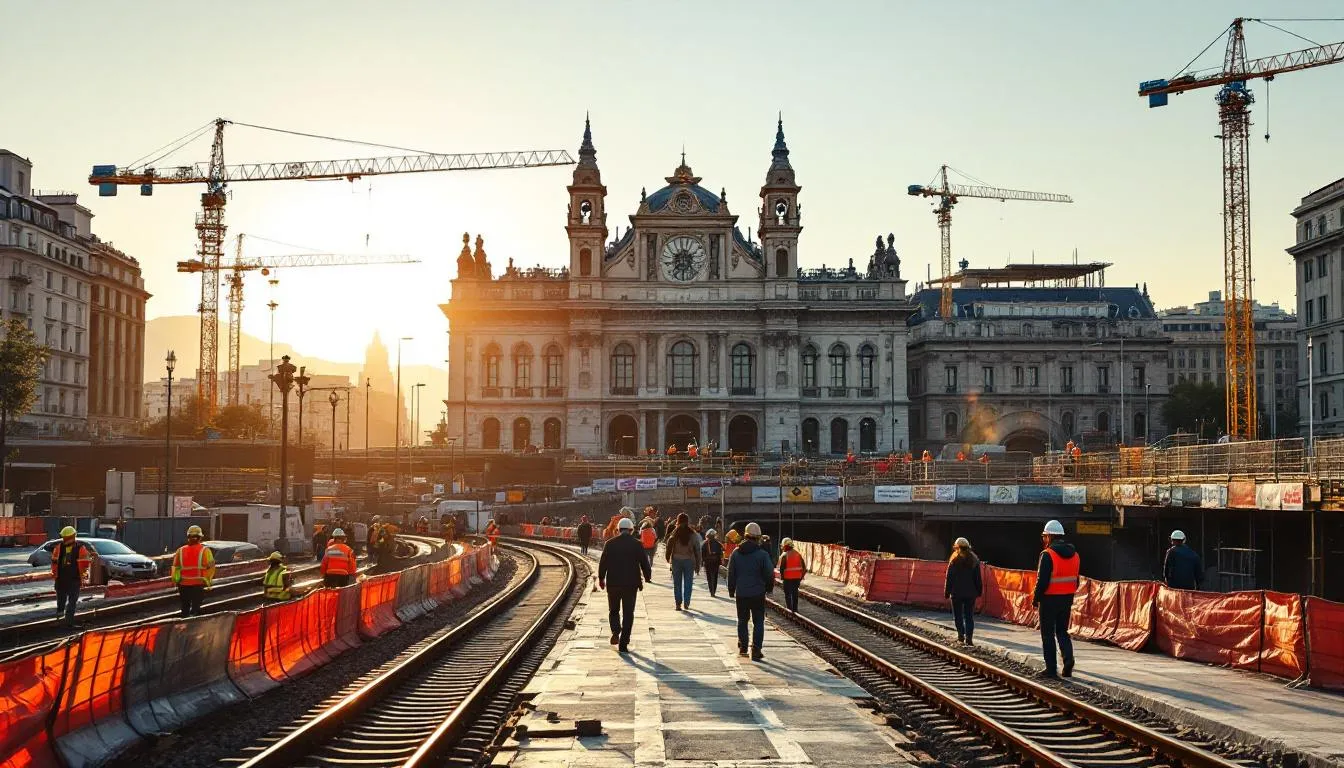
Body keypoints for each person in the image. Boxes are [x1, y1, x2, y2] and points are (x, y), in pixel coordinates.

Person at [597, 517, 651, 653]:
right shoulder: (637, 544)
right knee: (628, 613)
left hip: (613, 583)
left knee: (613, 610)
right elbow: (644, 562)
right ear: (631, 530)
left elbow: (603, 563)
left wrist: (601, 578)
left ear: (618, 530)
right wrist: (647, 576)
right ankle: (624, 642)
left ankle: (616, 631)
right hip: (630, 584)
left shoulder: (609, 544)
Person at [1033, 519, 1079, 678]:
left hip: (1049, 600)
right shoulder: (1075, 555)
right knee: (1062, 631)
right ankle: (1068, 660)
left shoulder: (1047, 555)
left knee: (1047, 634)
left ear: (1050, 536)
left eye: (1044, 536)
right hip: (1067, 599)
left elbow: (1042, 581)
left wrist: (1036, 598)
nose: (1044, 539)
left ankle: (1051, 669)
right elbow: (1076, 580)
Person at [727, 522, 775, 661]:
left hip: (741, 593)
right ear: (758, 537)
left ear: (745, 535)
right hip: (758, 593)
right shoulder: (762, 555)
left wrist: (731, 589)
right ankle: (756, 650)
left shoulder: (736, 553)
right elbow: (769, 573)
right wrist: (769, 588)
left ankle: (743, 647)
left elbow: (731, 572)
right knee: (758, 621)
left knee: (742, 620)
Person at [51, 526, 93, 626]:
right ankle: (66, 620)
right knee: (69, 600)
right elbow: (85, 564)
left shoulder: (59, 548)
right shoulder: (80, 548)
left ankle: (63, 619)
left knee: (65, 600)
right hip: (69, 579)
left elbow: (85, 564)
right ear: (74, 535)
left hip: (65, 579)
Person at [944, 537, 983, 644]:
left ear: (956, 547)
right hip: (970, 594)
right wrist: (979, 591)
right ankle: (969, 639)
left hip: (956, 593)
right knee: (969, 616)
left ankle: (961, 636)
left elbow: (949, 578)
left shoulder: (954, 560)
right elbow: (978, 578)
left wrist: (947, 592)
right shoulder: (974, 560)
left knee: (958, 616)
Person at [172, 524, 216, 617]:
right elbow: (211, 567)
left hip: (183, 585)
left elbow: (175, 568)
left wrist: (176, 582)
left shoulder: (180, 551)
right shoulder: (205, 550)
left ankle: (184, 621)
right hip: (198, 584)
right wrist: (208, 581)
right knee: (196, 608)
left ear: (188, 537)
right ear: (200, 537)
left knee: (185, 607)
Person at [664, 513, 702, 611]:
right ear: (687, 521)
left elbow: (669, 546)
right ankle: (686, 602)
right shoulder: (693, 534)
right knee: (688, 582)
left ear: (678, 521)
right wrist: (698, 563)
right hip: (689, 561)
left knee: (677, 583)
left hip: (676, 560)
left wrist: (667, 558)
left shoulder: (674, 533)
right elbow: (697, 549)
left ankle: (678, 603)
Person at [777, 537, 807, 615]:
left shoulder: (784, 555)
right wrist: (801, 577)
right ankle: (795, 609)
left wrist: (782, 577)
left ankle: (789, 609)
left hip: (787, 579)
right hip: (797, 578)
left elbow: (782, 568)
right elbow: (804, 568)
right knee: (795, 593)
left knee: (787, 594)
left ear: (784, 546)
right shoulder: (798, 554)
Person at [701, 529, 724, 597]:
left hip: (707, 562)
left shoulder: (704, 543)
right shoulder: (718, 543)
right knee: (715, 576)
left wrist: (702, 561)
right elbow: (721, 552)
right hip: (716, 562)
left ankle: (711, 591)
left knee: (709, 577)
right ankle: (714, 590)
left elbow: (702, 553)